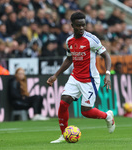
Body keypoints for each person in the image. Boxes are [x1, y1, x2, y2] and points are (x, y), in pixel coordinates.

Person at [47, 12, 115, 144]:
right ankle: (64, 134)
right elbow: (69, 59)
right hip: (75, 77)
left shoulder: (92, 39)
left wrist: (107, 73)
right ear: (72, 26)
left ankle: (108, 116)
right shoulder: (69, 41)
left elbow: (106, 55)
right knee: (63, 103)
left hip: (90, 80)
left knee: (86, 111)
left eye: (83, 25)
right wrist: (55, 75)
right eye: (78, 25)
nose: (82, 28)